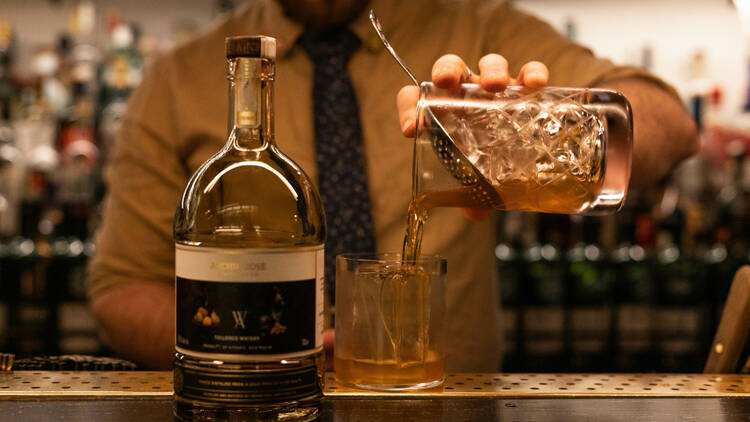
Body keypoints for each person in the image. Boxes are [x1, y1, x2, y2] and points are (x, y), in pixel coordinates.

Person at [87, 0, 697, 370]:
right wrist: (261, 342)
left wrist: (541, 136)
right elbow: (121, 290)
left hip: (447, 404)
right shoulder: (182, 78)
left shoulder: (478, 29)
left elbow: (672, 127)